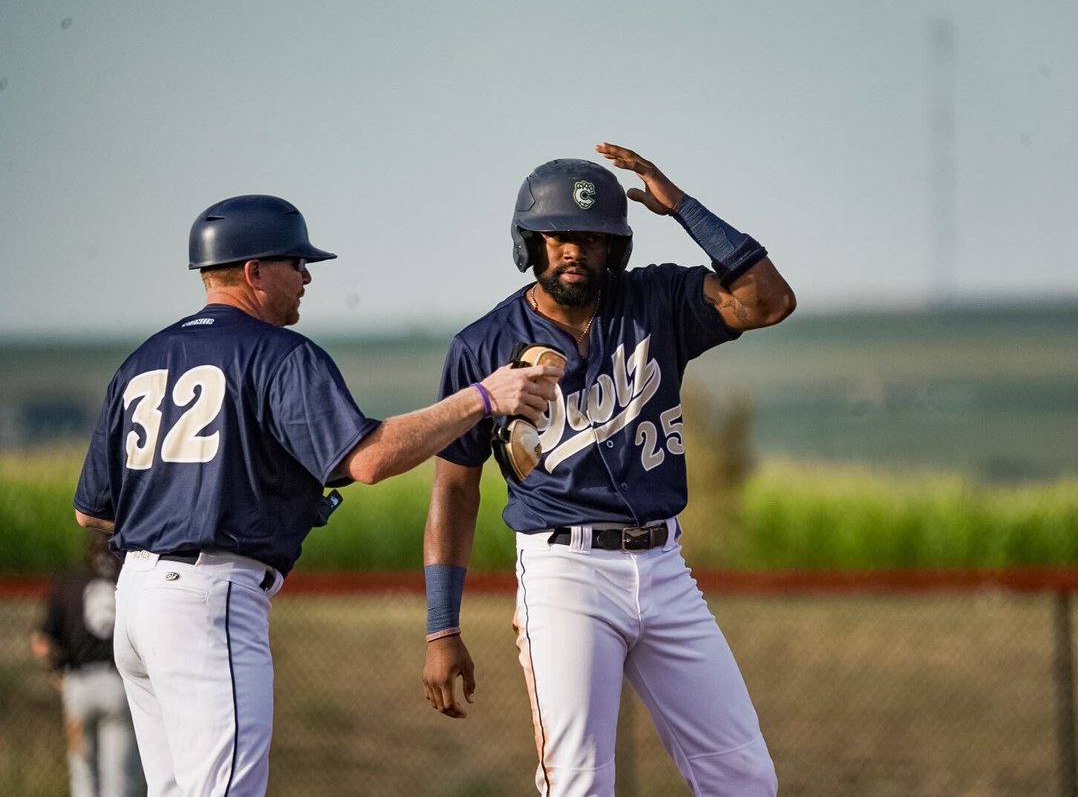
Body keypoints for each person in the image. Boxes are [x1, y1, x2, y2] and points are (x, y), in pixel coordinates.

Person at [72, 194, 561, 797]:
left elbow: (92, 510)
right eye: (295, 263)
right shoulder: (278, 353)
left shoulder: (142, 359)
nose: (306, 277)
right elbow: (370, 459)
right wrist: (483, 397)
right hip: (208, 598)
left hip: (136, 605)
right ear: (254, 271)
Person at [422, 143, 796, 796]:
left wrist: (682, 207)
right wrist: (442, 625)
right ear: (530, 243)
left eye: (592, 239)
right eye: (559, 236)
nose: (574, 251)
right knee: (579, 783)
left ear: (614, 247)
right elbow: (455, 489)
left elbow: (767, 301)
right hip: (564, 571)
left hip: (665, 568)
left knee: (744, 776)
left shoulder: (658, 300)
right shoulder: (481, 346)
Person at [32, 529, 145, 797]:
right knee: (119, 779)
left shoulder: (69, 581)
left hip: (79, 686)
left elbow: (42, 643)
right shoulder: (128, 578)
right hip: (119, 686)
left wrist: (57, 670)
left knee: (83, 776)